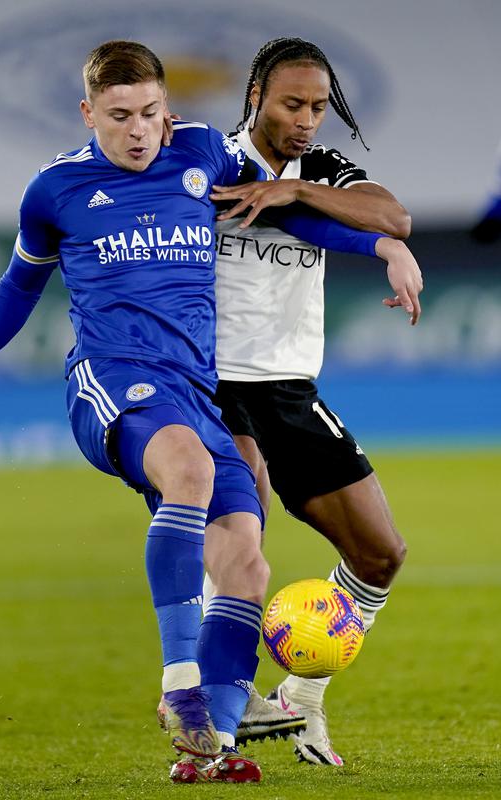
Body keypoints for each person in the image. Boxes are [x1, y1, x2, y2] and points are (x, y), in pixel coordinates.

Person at [0, 40, 405, 783]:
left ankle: (213, 746)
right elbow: (19, 286)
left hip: (196, 390)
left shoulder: (201, 154)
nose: (139, 130)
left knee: (246, 555)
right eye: (120, 116)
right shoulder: (56, 189)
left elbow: (287, 219)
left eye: (150, 113)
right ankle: (182, 689)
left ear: (167, 109)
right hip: (113, 381)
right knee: (188, 470)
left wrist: (379, 246)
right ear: (89, 113)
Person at [205, 37, 423, 767]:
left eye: (319, 107)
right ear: (256, 96)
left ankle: (301, 701)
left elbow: (393, 216)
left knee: (380, 553)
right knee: (240, 549)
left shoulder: (322, 170)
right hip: (216, 383)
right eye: (292, 103)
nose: (306, 119)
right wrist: (372, 245)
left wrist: (300, 189)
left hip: (291, 389)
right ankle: (213, 726)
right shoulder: (213, 160)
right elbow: (300, 221)